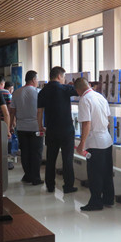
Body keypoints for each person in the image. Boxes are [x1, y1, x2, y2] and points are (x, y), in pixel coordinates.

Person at [75, 77, 114, 211]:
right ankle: (108, 199)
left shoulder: (84, 100)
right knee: (107, 172)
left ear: (78, 90)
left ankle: (96, 202)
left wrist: (82, 144)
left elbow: (86, 123)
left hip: (95, 142)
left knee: (95, 174)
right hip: (107, 140)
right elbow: (107, 118)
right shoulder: (100, 96)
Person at [37, 66, 78, 194]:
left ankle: (50, 185)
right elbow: (80, 91)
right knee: (67, 159)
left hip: (51, 130)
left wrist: (40, 126)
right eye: (64, 77)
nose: (64, 79)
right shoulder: (65, 89)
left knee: (51, 158)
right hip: (66, 129)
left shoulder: (42, 91)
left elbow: (39, 111)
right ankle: (68, 186)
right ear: (59, 76)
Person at [10, 70, 43, 185]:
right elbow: (41, 111)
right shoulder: (38, 92)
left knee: (25, 152)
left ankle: (28, 175)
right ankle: (36, 178)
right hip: (36, 127)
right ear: (33, 79)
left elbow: (12, 112)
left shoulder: (16, 93)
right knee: (36, 153)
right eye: (37, 79)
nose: (37, 81)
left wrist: (10, 126)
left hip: (21, 127)